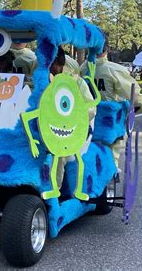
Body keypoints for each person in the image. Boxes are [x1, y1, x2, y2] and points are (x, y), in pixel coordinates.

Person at [80, 39, 142, 168]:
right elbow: (134, 94)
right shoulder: (114, 69)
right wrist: (137, 104)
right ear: (106, 50)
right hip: (108, 122)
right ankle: (111, 175)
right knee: (111, 153)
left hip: (85, 119)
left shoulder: (82, 69)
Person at [50, 46, 96, 189]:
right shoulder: (40, 78)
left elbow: (90, 109)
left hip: (72, 128)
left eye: (50, 64)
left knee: (56, 152)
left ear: (58, 64)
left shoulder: (76, 82)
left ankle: (53, 193)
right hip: (44, 126)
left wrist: (68, 117)